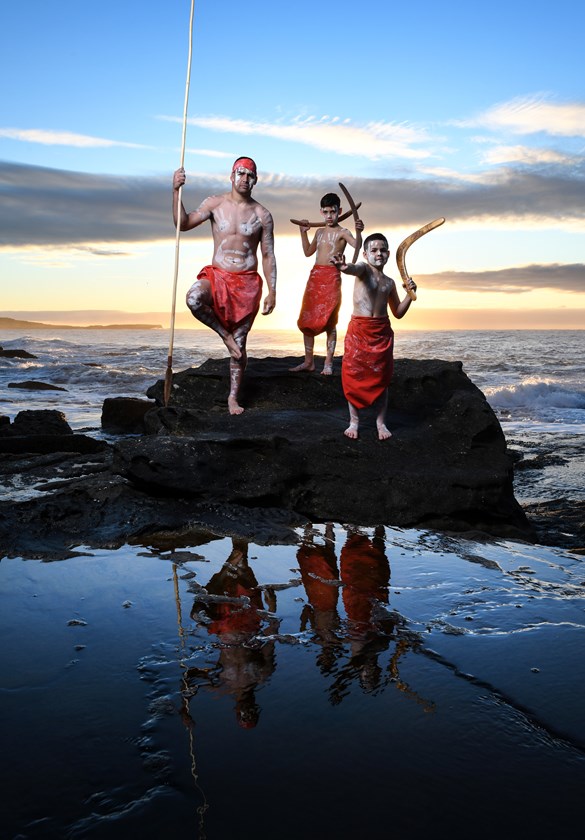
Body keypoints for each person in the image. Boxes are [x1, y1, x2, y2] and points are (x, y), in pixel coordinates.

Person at [172, 157, 277, 414]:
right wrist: (175, 191)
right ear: (232, 176)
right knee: (194, 298)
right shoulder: (215, 203)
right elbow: (182, 224)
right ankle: (224, 334)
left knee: (239, 349)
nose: (245, 179)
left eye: (250, 175)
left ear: (255, 180)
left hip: (247, 284)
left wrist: (273, 290)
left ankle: (233, 398)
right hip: (218, 276)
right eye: (240, 173)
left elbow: (268, 255)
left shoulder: (262, 215)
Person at [330, 233, 416, 440]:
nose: (379, 253)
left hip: (381, 332)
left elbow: (398, 312)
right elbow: (351, 268)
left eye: (383, 250)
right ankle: (354, 421)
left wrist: (409, 295)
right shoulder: (362, 270)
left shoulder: (389, 283)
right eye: (374, 250)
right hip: (360, 330)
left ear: (388, 253)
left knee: (381, 378)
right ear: (366, 253)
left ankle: (380, 423)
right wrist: (343, 267)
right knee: (352, 374)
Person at [290, 193, 363, 375]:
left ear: (339, 211)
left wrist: (360, 232)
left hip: (331, 277)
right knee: (307, 319)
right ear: (321, 212)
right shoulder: (320, 232)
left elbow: (357, 246)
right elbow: (308, 252)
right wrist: (302, 233)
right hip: (315, 277)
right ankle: (309, 362)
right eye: (326, 212)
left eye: (333, 211)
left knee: (330, 320)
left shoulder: (343, 232)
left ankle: (328, 363)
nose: (330, 216)